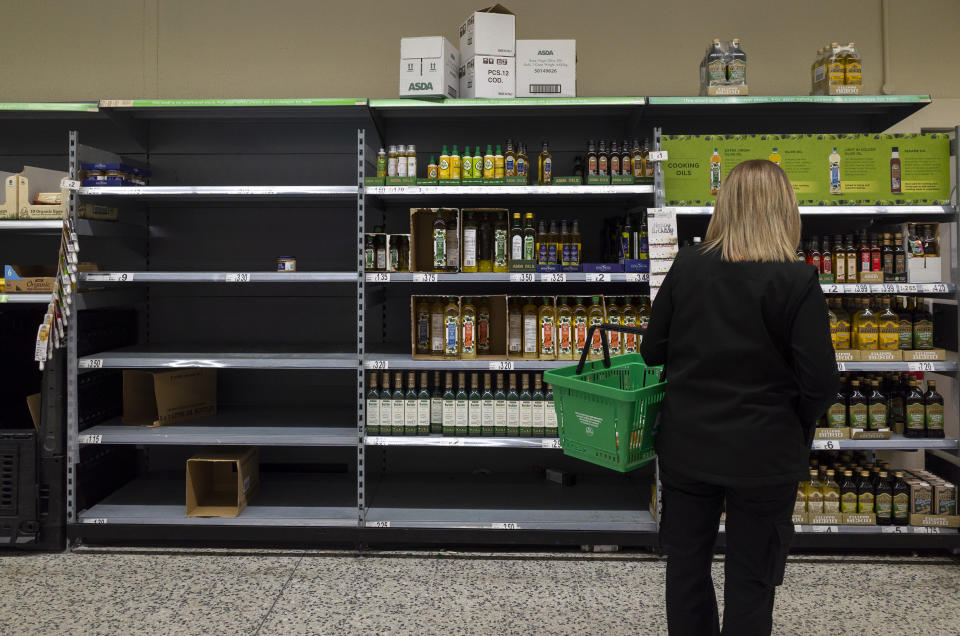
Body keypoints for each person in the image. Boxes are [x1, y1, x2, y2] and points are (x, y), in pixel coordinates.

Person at [641, 159, 838, 636]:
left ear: (723, 206)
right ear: (785, 210)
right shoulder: (797, 280)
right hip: (765, 454)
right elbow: (821, 383)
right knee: (752, 578)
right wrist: (794, 421)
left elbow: (652, 352)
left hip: (689, 446)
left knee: (687, 568)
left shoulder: (688, 265)